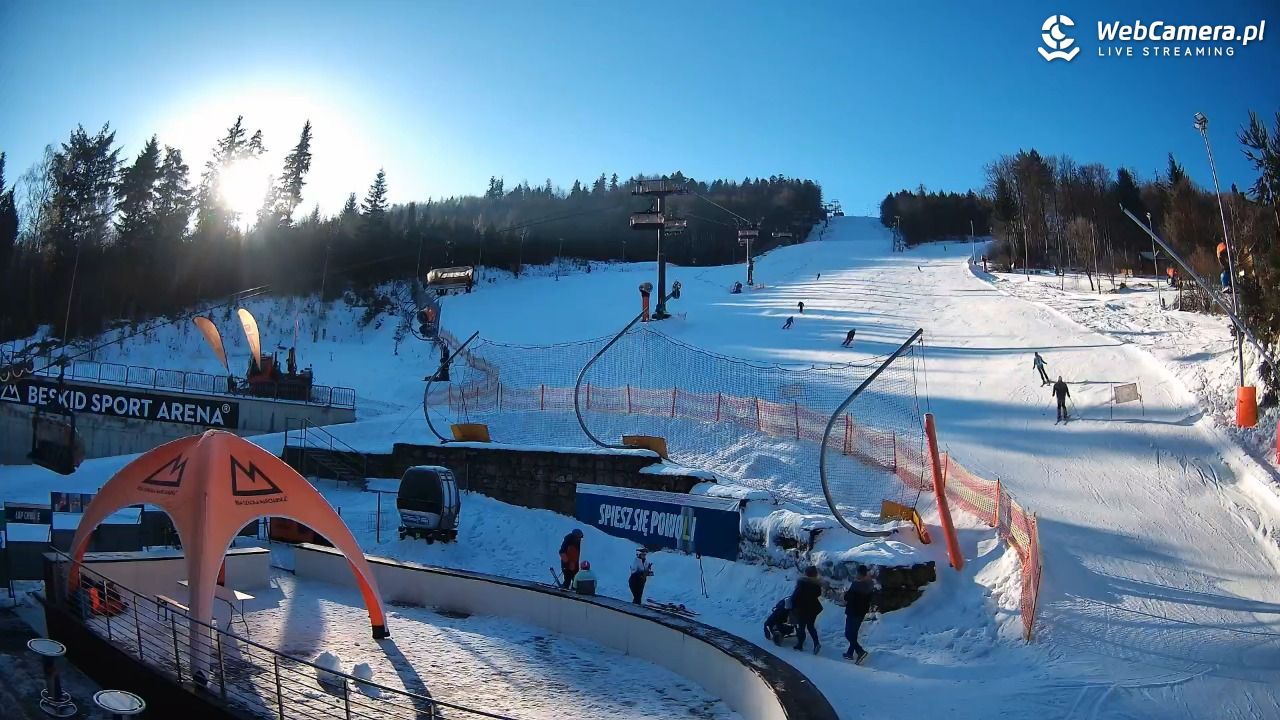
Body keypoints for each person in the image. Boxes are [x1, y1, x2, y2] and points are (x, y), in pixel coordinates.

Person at [843, 565, 878, 663]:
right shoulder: (870, 584)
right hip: (861, 612)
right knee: (854, 633)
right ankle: (850, 653)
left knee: (848, 634)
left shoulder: (856, 584)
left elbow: (849, 598)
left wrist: (846, 594)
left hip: (853, 611)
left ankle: (860, 651)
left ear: (859, 573)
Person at [790, 566, 823, 653]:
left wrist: (792, 604)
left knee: (801, 627)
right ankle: (816, 643)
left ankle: (800, 644)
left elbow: (795, 596)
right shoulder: (816, 584)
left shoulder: (802, 583)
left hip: (802, 608)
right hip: (813, 608)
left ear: (806, 573)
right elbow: (818, 594)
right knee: (810, 626)